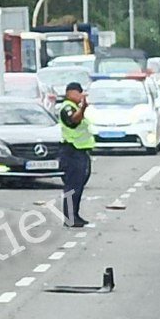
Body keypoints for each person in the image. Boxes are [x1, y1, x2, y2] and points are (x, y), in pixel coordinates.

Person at [58, 81, 94, 227]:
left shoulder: (75, 107)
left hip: (80, 150)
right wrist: (83, 107)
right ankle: (70, 218)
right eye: (78, 93)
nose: (80, 96)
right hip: (72, 151)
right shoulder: (67, 107)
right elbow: (74, 121)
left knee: (78, 185)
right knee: (72, 186)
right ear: (70, 93)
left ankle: (75, 215)